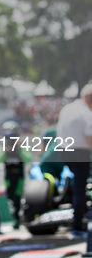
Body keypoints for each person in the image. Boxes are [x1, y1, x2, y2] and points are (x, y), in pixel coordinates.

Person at [56, 83, 92, 238]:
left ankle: (81, 218)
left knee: (79, 187)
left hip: (64, 151)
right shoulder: (86, 113)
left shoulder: (67, 108)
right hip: (79, 152)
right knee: (80, 189)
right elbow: (90, 136)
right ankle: (79, 225)